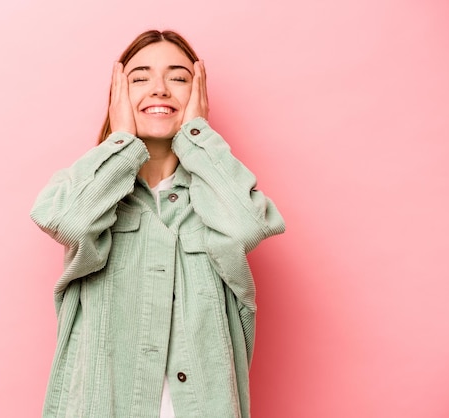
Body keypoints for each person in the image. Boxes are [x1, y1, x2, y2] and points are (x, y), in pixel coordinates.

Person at [31, 29, 285, 418]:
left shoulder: (218, 194)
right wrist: (120, 141)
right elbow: (66, 222)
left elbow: (247, 227)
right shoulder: (91, 192)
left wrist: (198, 135)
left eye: (179, 78)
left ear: (198, 96)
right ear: (117, 96)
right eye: (140, 78)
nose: (160, 89)